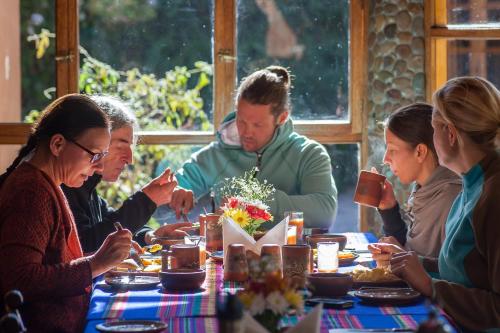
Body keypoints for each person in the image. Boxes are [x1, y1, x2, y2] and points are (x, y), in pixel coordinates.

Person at [0, 94, 133, 333]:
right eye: (94, 155)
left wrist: (103, 260)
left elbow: (53, 263)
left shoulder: (48, 183)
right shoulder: (31, 192)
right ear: (57, 144)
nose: (100, 167)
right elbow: (19, 280)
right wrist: (95, 264)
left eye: (102, 157)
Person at [376, 77, 500, 332]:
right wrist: (413, 263)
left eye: (434, 129)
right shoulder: (472, 185)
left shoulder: (493, 196)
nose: (431, 139)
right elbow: (462, 272)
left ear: (450, 134)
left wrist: (430, 285)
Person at [170, 66, 338, 228]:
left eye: (258, 125)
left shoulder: (309, 154)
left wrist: (256, 203)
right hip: (226, 256)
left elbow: (325, 213)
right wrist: (176, 193)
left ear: (282, 117)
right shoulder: (217, 154)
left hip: (289, 255)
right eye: (241, 121)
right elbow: (167, 194)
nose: (246, 133)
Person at [62, 95, 192, 253]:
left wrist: (150, 236)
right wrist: (146, 200)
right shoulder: (66, 185)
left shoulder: (88, 188)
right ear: (98, 141)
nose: (130, 159)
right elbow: (86, 246)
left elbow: (112, 226)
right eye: (122, 145)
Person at [375, 103, 461, 259]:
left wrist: (402, 258)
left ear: (420, 152)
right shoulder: (424, 189)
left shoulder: (450, 199)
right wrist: (389, 209)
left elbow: (449, 277)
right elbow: (410, 249)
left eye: (392, 150)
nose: (385, 159)